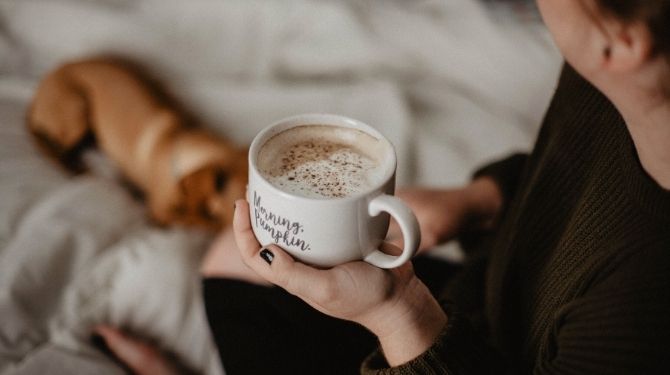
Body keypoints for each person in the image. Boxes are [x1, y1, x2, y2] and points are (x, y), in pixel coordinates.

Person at [94, 0, 670, 373]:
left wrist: (399, 312)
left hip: (462, 352)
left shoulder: (640, 319)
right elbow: (584, 185)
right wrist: (479, 201)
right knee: (233, 263)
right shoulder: (629, 80)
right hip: (494, 301)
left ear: (620, 43)